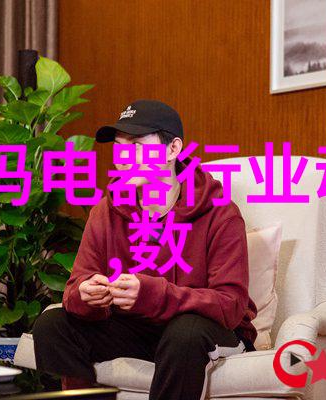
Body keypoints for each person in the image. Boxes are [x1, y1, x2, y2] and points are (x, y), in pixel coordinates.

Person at [33, 99, 257, 400]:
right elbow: (75, 287)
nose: (123, 158)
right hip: (140, 329)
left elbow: (230, 305)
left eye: (137, 145)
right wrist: (85, 294)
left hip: (206, 332)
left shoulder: (221, 213)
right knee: (52, 325)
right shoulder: (106, 211)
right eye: (118, 147)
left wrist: (152, 294)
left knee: (185, 332)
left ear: (173, 149)